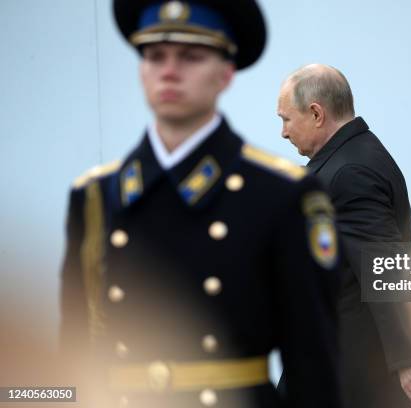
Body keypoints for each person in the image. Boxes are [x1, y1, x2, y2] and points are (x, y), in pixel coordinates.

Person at [59, 2, 341, 407]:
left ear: (225, 73)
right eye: (155, 56)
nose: (169, 70)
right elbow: (74, 356)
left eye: (191, 56)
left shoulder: (282, 196)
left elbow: (314, 368)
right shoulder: (95, 197)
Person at [277, 64, 411, 408]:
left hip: (346, 370)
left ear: (316, 113)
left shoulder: (350, 172)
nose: (283, 132)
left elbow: (385, 266)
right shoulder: (355, 156)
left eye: (286, 119)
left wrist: (407, 361)